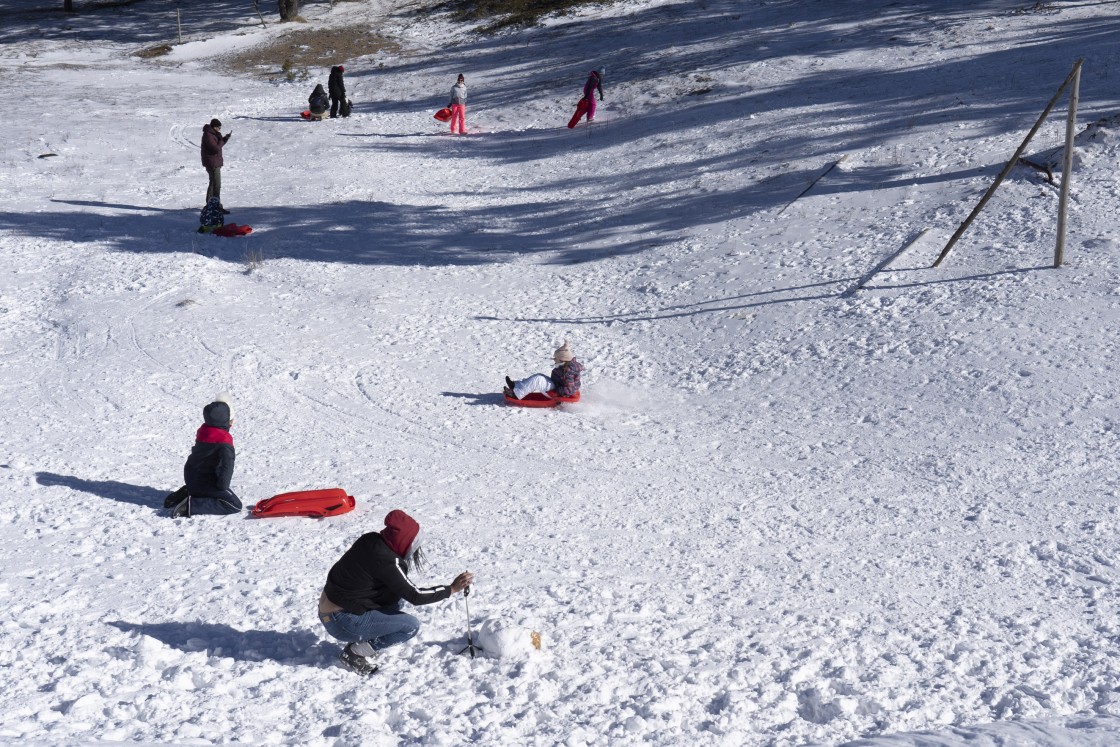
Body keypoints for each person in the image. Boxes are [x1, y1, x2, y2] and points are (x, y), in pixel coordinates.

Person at [318, 510, 474, 676]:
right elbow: (415, 595)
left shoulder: (370, 540)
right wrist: (452, 589)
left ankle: (365, 634)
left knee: (396, 600)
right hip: (342, 621)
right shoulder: (387, 561)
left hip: (332, 610)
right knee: (410, 626)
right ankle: (355, 652)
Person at [164, 397, 243, 518]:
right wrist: (222, 487)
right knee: (234, 505)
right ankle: (191, 505)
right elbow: (228, 465)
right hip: (204, 482)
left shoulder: (204, 430)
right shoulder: (224, 440)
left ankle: (189, 491)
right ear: (227, 420)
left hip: (191, 476)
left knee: (205, 480)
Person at [505, 340, 583, 400]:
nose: (554, 360)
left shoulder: (568, 372)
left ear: (562, 360)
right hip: (557, 385)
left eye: (556, 358)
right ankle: (516, 386)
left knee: (538, 380)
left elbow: (570, 388)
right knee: (539, 376)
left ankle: (516, 394)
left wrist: (557, 392)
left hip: (560, 392)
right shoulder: (565, 366)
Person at [201, 118, 231, 212]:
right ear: (214, 127)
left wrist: (224, 139)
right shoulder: (208, 135)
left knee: (213, 183)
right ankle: (216, 206)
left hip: (213, 162)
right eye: (219, 127)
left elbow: (218, 145)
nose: (220, 129)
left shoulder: (212, 134)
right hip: (212, 163)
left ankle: (211, 204)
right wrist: (222, 140)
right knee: (216, 184)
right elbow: (216, 149)